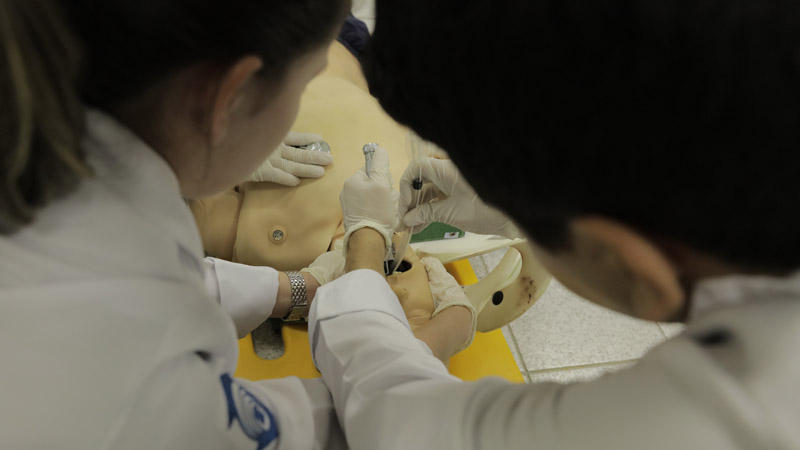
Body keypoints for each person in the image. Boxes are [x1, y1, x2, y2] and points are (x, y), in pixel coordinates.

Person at [307, 0, 800, 448]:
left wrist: (364, 241)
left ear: (622, 262)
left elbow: (397, 424)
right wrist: (515, 211)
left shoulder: (710, 420)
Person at [0, 0, 357, 448]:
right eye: (305, 84)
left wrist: (294, 289)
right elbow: (351, 426)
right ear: (229, 97)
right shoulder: (129, 380)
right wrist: (370, 317)